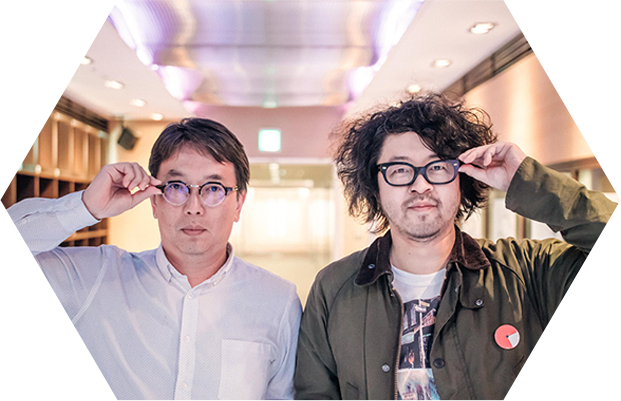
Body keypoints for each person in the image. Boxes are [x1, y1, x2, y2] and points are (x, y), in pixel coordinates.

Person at [294, 93, 621, 401]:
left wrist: (528, 182)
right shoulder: (335, 288)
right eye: (399, 170)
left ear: (461, 180)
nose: (420, 184)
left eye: (437, 167)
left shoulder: (523, 274)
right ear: (375, 186)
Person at [0, 118, 302, 400]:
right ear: (154, 200)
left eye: (213, 189)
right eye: (176, 187)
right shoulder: (94, 280)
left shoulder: (278, 300)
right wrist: (86, 206)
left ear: (239, 204)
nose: (194, 207)